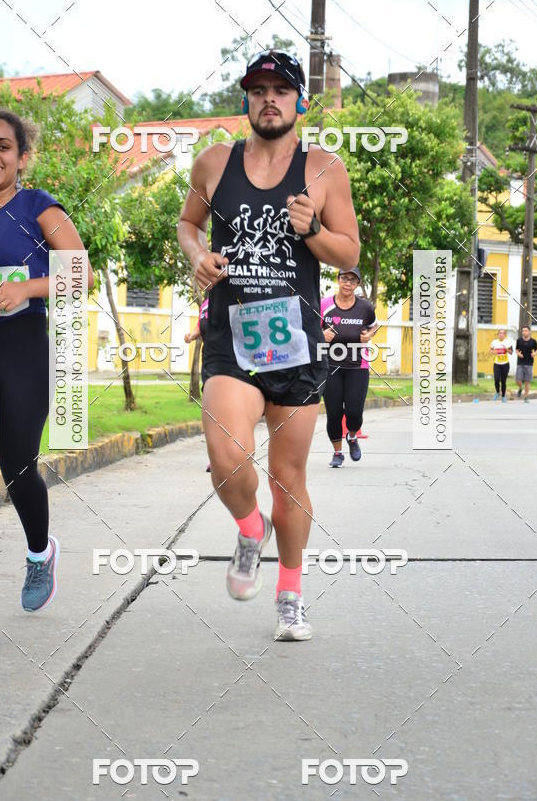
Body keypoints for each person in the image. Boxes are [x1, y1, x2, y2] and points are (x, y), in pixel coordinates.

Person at [178, 50, 359, 641]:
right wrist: (198, 256)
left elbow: (349, 252)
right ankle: (250, 528)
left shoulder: (324, 169)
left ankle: (290, 595)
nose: (269, 100)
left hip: (297, 345)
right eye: (258, 90)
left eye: (281, 90)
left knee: (288, 478)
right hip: (232, 340)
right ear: (246, 100)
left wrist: (313, 229)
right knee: (227, 458)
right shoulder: (213, 162)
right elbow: (188, 224)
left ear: (300, 101)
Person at [0, 110, 94, 633]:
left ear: (22, 157)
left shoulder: (38, 207)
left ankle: (39, 553)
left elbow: (81, 272)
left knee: (17, 467)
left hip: (24, 347)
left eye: (3, 146)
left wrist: (27, 289)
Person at [321, 268, 378, 467]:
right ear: (338, 280)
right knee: (334, 412)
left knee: (354, 412)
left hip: (357, 366)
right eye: (345, 278)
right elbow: (310, 329)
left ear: (358, 284)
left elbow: (374, 325)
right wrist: (321, 336)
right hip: (330, 365)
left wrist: (369, 335)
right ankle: (337, 453)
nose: (348, 283)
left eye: (353, 280)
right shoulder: (324, 305)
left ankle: (352, 437)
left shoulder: (365, 307)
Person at [184, 297, 211, 470]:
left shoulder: (233, 294)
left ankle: (234, 454)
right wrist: (192, 335)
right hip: (209, 358)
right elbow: (201, 325)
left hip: (231, 360)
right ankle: (216, 456)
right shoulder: (206, 303)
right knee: (210, 406)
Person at [489, 328, 513, 402]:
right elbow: (490, 350)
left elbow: (511, 352)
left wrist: (506, 349)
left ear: (505, 335)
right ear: (498, 334)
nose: (501, 334)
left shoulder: (508, 342)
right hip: (497, 364)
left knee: (503, 381)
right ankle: (497, 392)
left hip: (505, 364)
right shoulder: (494, 342)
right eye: (500, 333)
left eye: (503, 333)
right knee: (496, 379)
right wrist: (493, 352)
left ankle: (503, 396)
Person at [515, 324, 537, 403]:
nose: (524, 332)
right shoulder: (519, 341)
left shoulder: (533, 341)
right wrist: (518, 354)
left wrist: (534, 353)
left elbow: (536, 350)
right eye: (523, 331)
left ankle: (526, 397)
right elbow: (517, 349)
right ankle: (520, 388)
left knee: (527, 381)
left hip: (529, 364)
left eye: (526, 331)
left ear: (529, 332)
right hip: (520, 363)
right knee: (518, 380)